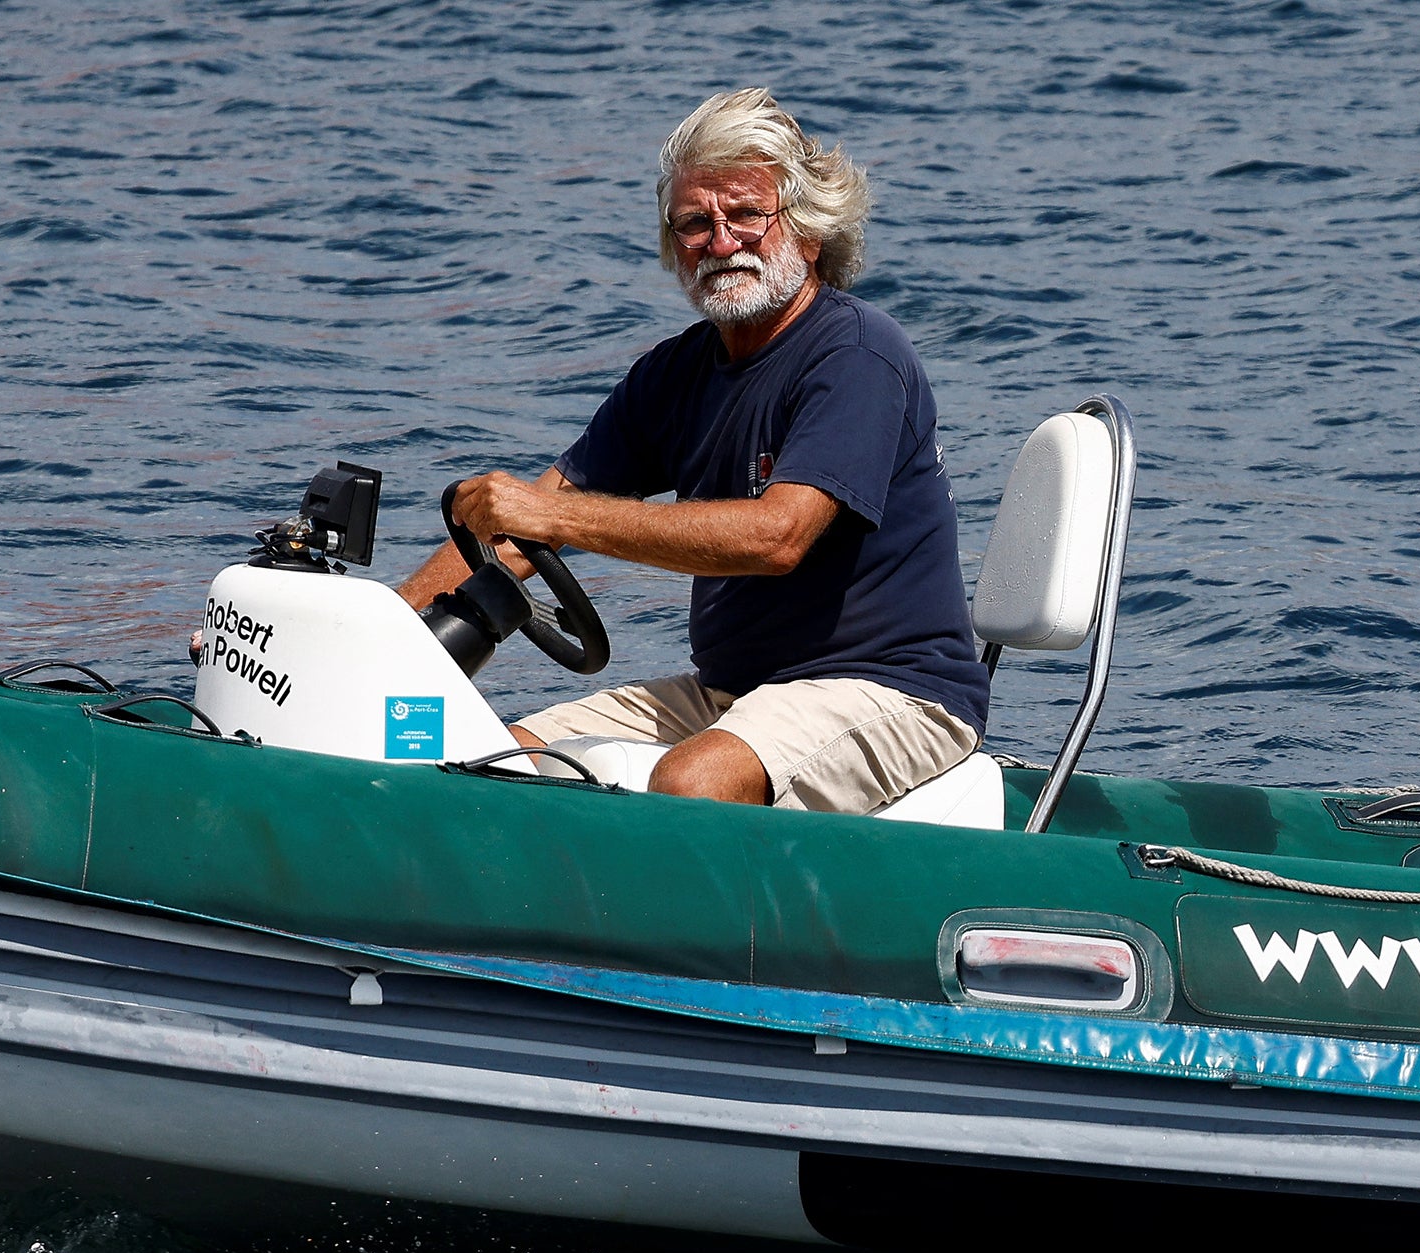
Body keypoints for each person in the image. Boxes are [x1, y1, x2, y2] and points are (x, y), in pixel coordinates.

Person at [399, 88, 989, 814]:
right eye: (692, 223)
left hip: (893, 687)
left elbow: (779, 536)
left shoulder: (858, 354)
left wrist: (557, 520)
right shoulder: (673, 374)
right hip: (732, 692)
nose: (720, 242)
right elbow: (516, 535)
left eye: (745, 214)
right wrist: (369, 634)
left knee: (691, 780)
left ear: (806, 231)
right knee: (497, 757)